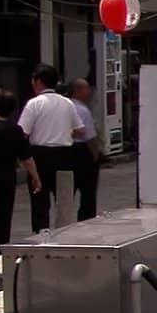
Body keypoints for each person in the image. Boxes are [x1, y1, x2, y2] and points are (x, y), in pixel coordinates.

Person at [18, 64, 81, 232]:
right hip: (65, 154)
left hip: (40, 155)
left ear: (38, 81)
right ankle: (65, 234)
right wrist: (65, 133)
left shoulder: (34, 104)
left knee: (40, 199)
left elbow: (22, 133)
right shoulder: (67, 103)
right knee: (64, 199)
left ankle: (41, 235)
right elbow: (80, 129)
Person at [0, 90, 41, 257]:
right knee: (2, 215)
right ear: (13, 110)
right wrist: (35, 177)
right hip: (5, 181)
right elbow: (26, 158)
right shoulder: (15, 130)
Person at [68, 78, 100, 221]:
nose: (89, 91)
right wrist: (95, 154)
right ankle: (87, 219)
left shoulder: (65, 106)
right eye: (86, 88)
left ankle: (65, 220)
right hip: (82, 151)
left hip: (66, 150)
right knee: (88, 191)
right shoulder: (82, 109)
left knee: (68, 190)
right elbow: (90, 137)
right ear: (78, 91)